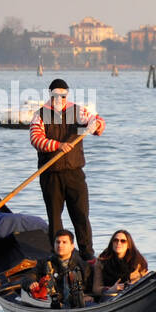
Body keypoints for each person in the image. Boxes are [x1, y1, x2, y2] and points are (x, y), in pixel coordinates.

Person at [29, 78, 105, 257]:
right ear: (50, 95)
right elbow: (36, 139)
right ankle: (58, 256)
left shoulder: (77, 111)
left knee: (81, 216)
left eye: (63, 95)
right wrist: (58, 145)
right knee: (55, 218)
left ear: (67, 95)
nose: (59, 99)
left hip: (74, 173)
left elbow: (96, 122)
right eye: (56, 95)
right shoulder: (40, 115)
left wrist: (97, 124)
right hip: (50, 174)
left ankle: (87, 256)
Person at [33, 229, 90, 309]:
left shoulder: (84, 266)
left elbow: (90, 288)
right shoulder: (44, 263)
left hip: (78, 305)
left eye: (64, 242)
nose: (60, 245)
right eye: (57, 242)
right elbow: (30, 276)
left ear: (72, 246)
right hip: (52, 305)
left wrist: (88, 296)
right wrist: (30, 283)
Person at [93, 229, 148, 298]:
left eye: (123, 241)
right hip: (110, 297)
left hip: (133, 294)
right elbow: (96, 289)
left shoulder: (138, 261)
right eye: (116, 240)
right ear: (112, 243)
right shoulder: (102, 261)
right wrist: (111, 289)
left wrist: (132, 284)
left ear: (128, 245)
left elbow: (146, 280)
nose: (119, 243)